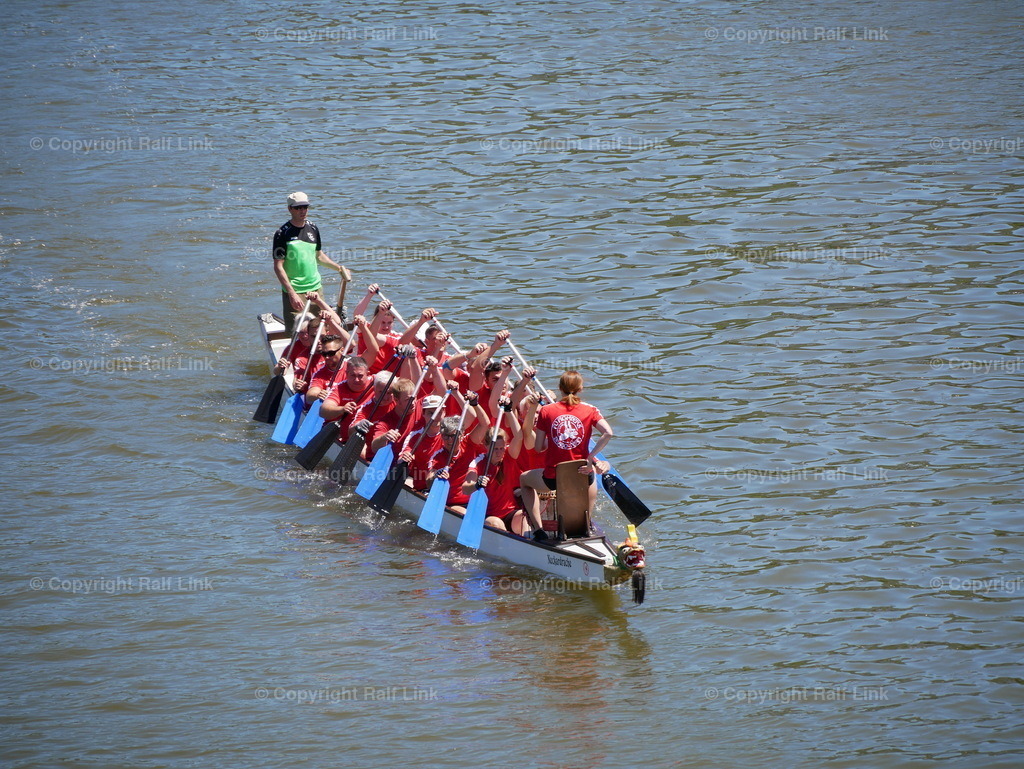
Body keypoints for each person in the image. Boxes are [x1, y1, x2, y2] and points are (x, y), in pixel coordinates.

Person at [520, 371, 613, 540]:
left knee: (523, 480)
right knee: (590, 476)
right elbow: (608, 433)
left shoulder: (546, 411)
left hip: (553, 478)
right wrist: (591, 457)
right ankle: (587, 525)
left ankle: (538, 530)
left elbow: (539, 447)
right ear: (580, 389)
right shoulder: (591, 410)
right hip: (581, 475)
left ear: (560, 388)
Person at [272, 191, 346, 334]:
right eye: (298, 208)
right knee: (299, 334)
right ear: (290, 209)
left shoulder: (313, 228)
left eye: (305, 207)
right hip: (295, 292)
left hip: (316, 290)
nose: (303, 211)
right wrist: (291, 293)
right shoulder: (282, 233)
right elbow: (278, 266)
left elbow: (318, 256)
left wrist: (339, 269)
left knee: (324, 330)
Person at [464, 400, 529, 535]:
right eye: (495, 449)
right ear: (486, 446)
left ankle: (528, 543)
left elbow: (518, 436)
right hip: (489, 515)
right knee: (496, 523)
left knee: (523, 518)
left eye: (501, 448)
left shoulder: (508, 457)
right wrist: (476, 485)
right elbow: (465, 488)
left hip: (510, 511)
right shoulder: (478, 462)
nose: (499, 452)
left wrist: (509, 411)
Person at [317, 355, 373, 441]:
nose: (356, 380)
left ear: (368, 374)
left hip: (363, 438)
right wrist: (342, 409)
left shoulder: (376, 383)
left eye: (360, 376)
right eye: (353, 375)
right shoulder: (338, 388)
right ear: (346, 374)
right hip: (340, 438)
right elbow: (323, 411)